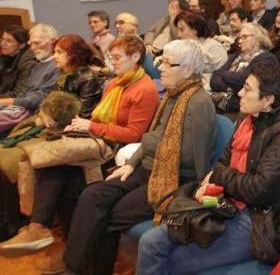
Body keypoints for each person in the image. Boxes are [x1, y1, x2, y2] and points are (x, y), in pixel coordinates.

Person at [137, 61, 280, 274]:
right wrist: (218, 179)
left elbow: (259, 189)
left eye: (248, 89)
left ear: (268, 100)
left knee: (174, 261)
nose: (239, 93)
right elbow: (223, 161)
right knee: (150, 242)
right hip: (225, 204)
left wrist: (220, 177)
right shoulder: (247, 118)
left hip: (258, 220)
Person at [58, 39, 216, 275]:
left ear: (188, 70)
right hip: (147, 168)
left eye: (167, 63)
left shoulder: (198, 103)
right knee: (92, 195)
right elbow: (151, 138)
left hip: (175, 179)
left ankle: (84, 270)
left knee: (111, 214)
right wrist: (130, 164)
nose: (160, 67)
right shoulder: (174, 95)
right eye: (161, 61)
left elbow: (194, 159)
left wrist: (151, 144)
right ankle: (74, 266)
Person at [0, 35, 160, 262]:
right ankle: (48, 235)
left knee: (58, 170)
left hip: (117, 150)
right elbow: (97, 118)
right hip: (96, 139)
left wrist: (91, 125)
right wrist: (84, 126)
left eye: (116, 57)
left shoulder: (144, 89)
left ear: (135, 57)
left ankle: (46, 233)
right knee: (54, 167)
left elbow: (134, 135)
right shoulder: (116, 83)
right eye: (110, 57)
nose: (111, 62)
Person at [0, 35, 102, 242]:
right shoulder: (63, 77)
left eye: (59, 52)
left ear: (74, 55)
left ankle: (16, 224)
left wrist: (50, 117)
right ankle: (13, 223)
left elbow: (82, 115)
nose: (54, 56)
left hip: (65, 133)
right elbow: (46, 105)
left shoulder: (88, 79)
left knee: (10, 161)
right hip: (48, 129)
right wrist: (44, 115)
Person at [210, 23, 276, 114]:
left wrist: (223, 75)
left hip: (242, 110)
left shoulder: (267, 58)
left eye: (244, 37)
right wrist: (232, 85)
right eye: (240, 37)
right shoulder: (236, 56)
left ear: (257, 38)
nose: (240, 41)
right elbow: (213, 79)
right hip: (223, 105)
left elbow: (243, 82)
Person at [0, 24, 59, 115]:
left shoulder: (57, 65)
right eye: (31, 44)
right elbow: (25, 93)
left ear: (53, 42)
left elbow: (42, 97)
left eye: (37, 43)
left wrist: (5, 102)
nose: (33, 48)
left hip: (40, 113)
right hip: (26, 109)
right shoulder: (38, 65)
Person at [0, 26, 37, 98]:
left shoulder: (28, 63)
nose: (2, 44)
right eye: (2, 39)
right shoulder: (5, 57)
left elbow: (19, 94)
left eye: (9, 41)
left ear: (21, 45)